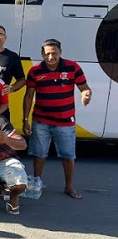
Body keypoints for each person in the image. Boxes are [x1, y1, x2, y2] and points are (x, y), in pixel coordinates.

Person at [23, 39, 91, 200]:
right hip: (41, 121)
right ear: (42, 54)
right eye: (47, 54)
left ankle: (69, 187)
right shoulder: (35, 71)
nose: (51, 57)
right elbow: (28, 96)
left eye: (54, 53)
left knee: (68, 156)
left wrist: (86, 95)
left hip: (65, 122)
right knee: (39, 155)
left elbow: (84, 88)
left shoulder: (73, 67)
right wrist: (25, 119)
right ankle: (37, 182)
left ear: (60, 52)